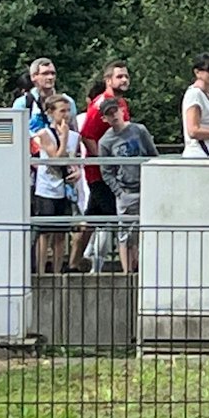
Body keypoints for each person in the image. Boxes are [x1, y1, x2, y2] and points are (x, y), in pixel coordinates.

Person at [76, 61, 132, 270]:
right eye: (119, 77)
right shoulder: (101, 104)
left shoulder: (122, 103)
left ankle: (74, 261)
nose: (124, 80)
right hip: (101, 174)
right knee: (118, 218)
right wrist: (105, 161)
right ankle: (128, 269)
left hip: (116, 172)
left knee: (92, 218)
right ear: (108, 80)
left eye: (126, 76)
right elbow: (87, 135)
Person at [97, 97, 154, 274]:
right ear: (104, 119)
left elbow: (153, 155)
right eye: (109, 114)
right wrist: (119, 192)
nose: (114, 116)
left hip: (145, 187)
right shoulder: (105, 142)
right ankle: (126, 272)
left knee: (144, 231)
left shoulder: (139, 130)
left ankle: (141, 268)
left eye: (115, 111)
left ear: (122, 110)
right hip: (126, 190)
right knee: (125, 233)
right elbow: (106, 171)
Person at [30, 95, 84, 273]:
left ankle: (58, 269)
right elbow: (57, 159)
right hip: (47, 189)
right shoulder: (45, 134)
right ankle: (40, 270)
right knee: (44, 233)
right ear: (51, 113)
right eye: (62, 111)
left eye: (68, 111)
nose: (66, 115)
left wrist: (77, 172)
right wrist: (64, 137)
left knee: (61, 233)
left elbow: (72, 160)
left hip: (65, 189)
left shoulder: (75, 136)